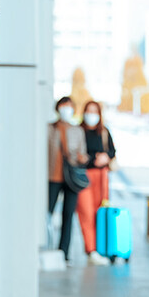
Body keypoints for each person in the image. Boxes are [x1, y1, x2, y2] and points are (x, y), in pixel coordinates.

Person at [48, 97, 88, 263]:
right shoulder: (49, 128)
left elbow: (83, 154)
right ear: (58, 108)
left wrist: (81, 158)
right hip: (52, 176)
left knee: (68, 215)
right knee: (47, 213)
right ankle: (47, 246)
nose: (66, 109)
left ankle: (64, 251)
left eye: (70, 106)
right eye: (64, 106)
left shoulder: (77, 130)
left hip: (70, 177)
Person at [77, 100, 117, 265]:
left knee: (100, 212)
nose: (91, 115)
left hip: (102, 177)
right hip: (84, 176)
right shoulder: (78, 131)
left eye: (94, 111)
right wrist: (94, 159)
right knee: (86, 213)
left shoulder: (104, 132)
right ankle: (91, 249)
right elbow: (77, 155)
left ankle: (102, 247)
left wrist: (105, 157)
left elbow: (112, 151)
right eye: (89, 111)